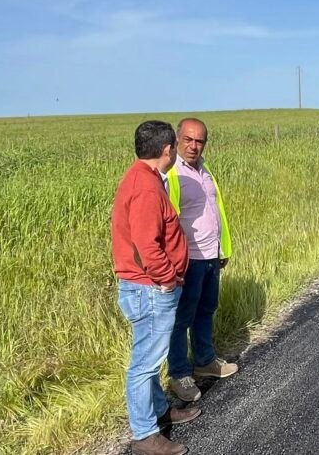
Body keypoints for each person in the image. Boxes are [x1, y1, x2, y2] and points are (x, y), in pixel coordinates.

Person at [111, 120, 199, 455]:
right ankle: (144, 434)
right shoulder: (146, 189)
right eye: (176, 146)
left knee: (151, 355)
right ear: (167, 149)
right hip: (150, 289)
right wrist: (168, 278)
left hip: (148, 287)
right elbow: (145, 247)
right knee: (145, 363)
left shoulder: (142, 178)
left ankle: (160, 412)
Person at [166, 118, 237, 403]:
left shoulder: (206, 172)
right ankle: (180, 373)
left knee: (207, 309)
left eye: (199, 141)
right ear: (177, 140)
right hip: (188, 260)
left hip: (211, 255)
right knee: (181, 318)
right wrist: (174, 262)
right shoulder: (172, 174)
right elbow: (168, 222)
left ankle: (205, 361)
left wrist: (223, 249)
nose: (194, 146)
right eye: (188, 140)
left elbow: (215, 211)